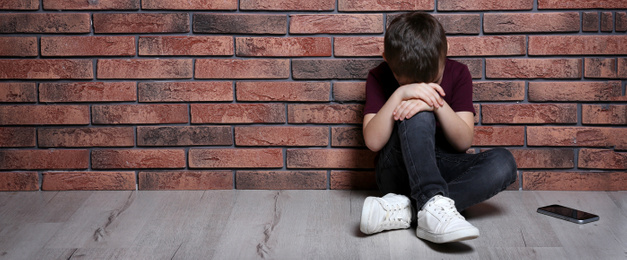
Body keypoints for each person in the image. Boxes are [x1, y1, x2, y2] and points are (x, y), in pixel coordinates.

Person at [359, 12, 517, 244]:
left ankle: (408, 210)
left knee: (504, 163)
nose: (423, 88)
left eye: (433, 81)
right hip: (397, 169)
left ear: (446, 51)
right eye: (411, 84)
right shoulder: (379, 76)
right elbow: (373, 142)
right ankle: (431, 203)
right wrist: (401, 94)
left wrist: (435, 104)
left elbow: (463, 142)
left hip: (442, 166)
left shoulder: (459, 73)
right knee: (417, 114)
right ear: (387, 60)